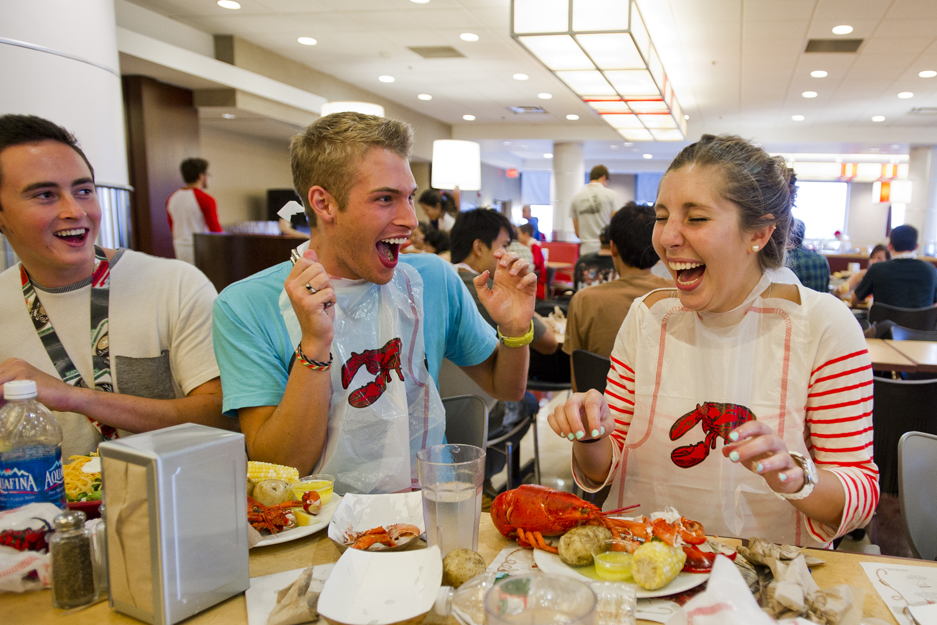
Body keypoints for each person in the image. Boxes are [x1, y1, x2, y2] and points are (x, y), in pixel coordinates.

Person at [549, 134, 878, 547]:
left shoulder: (824, 325)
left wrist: (797, 477)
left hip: (772, 580)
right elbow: (603, 471)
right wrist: (590, 434)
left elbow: (860, 493)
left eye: (696, 218)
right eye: (662, 216)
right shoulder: (646, 316)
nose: (668, 237)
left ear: (757, 234)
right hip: (643, 563)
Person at [212, 112, 537, 494]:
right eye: (385, 199)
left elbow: (506, 387)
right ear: (324, 203)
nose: (411, 220)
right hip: (316, 526)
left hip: (429, 508)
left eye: (410, 198)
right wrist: (315, 344)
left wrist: (515, 330)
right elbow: (284, 467)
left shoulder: (433, 278)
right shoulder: (244, 305)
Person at [0, 114, 230, 459]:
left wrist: (71, 396)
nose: (75, 210)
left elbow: (223, 419)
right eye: (45, 195)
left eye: (84, 191)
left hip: (169, 502)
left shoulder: (176, 285)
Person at [449, 208, 557, 483]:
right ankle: (489, 479)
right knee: (528, 402)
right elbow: (549, 344)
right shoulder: (493, 292)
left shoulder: (428, 282)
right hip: (481, 411)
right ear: (479, 247)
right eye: (504, 246)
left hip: (435, 414)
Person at [563, 203, 673, 374]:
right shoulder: (677, 295)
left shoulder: (583, 300)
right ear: (659, 248)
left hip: (599, 399)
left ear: (613, 247)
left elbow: (578, 376)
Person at [852, 225, 937, 309]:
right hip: (921, 323)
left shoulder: (877, 269)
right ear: (916, 246)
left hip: (883, 322)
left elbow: (854, 300)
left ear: (889, 246)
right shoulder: (930, 270)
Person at [166, 157, 224, 264]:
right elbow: (215, 231)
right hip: (200, 250)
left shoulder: (172, 198)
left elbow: (172, 227)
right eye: (207, 174)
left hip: (180, 249)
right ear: (201, 176)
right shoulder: (206, 199)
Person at [570, 165, 617, 255]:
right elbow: (615, 225)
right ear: (604, 177)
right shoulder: (612, 195)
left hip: (585, 250)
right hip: (605, 249)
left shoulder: (576, 197)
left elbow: (577, 232)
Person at [786, 218, 830, 293]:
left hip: (793, 304)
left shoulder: (784, 262)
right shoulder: (822, 260)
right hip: (819, 304)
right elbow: (826, 290)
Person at [572, 225, 617, 291]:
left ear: (600, 238)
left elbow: (576, 290)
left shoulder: (581, 260)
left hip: (582, 300)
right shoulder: (618, 263)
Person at [517, 223, 546, 299]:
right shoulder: (528, 245)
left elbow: (534, 264)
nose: (518, 236)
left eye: (519, 233)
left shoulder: (534, 246)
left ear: (526, 234)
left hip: (537, 281)